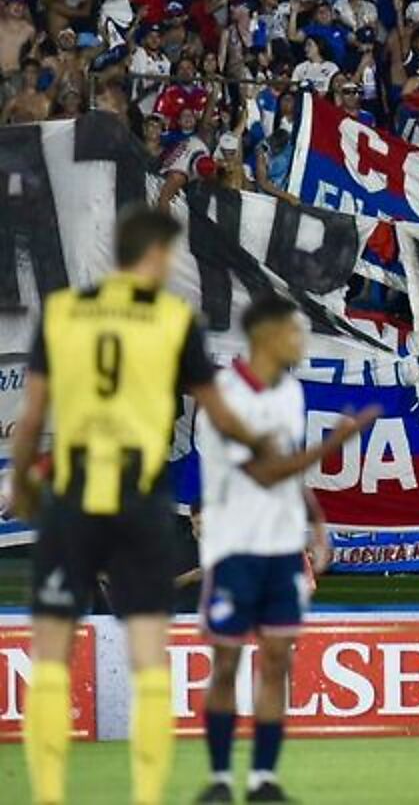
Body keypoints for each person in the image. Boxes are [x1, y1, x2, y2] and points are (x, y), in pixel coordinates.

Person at [9, 206, 276, 805]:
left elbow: (32, 418)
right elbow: (219, 411)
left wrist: (23, 483)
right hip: (141, 500)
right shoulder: (171, 319)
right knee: (150, 652)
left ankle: (47, 793)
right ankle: (149, 794)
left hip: (73, 497)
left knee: (51, 653)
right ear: (154, 255)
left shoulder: (63, 313)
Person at [195, 296, 378, 804]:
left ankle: (263, 780)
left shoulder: (291, 392)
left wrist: (317, 523)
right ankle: (219, 779)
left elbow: (287, 469)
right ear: (265, 335)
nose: (301, 341)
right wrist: (334, 443)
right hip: (235, 548)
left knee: (277, 661)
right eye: (294, 332)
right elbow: (263, 471)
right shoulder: (225, 398)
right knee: (227, 663)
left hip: (281, 550)